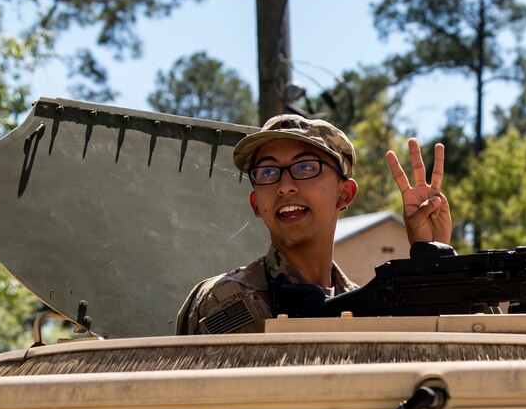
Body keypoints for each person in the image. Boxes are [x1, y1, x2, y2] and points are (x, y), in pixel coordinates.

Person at [176, 113, 451, 334]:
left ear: (345, 194)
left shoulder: (367, 306)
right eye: (268, 172)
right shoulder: (229, 298)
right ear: (256, 204)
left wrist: (433, 261)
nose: (284, 187)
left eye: (305, 167)